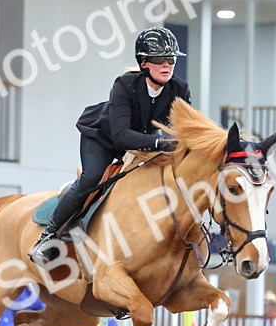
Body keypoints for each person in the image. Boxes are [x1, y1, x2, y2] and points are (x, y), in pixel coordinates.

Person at [29, 26, 190, 267]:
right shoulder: (125, 85)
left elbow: (183, 130)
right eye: (159, 59)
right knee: (92, 178)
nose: (167, 64)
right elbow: (122, 135)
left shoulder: (180, 89)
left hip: (144, 144)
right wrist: (160, 142)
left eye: (171, 59)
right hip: (105, 139)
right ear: (144, 63)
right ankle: (49, 236)